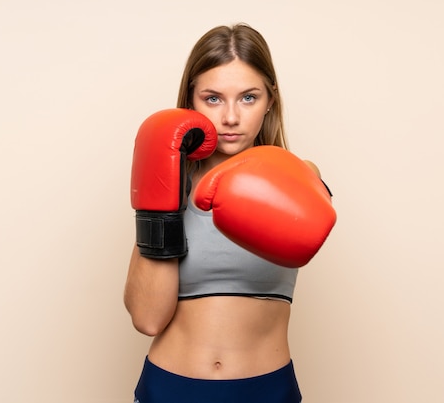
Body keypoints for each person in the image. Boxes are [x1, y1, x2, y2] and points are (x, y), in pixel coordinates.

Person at [125, 23, 336, 403]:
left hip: (266, 389)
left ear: (270, 99)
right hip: (169, 387)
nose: (231, 117)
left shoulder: (301, 175)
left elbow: (314, 222)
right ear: (191, 101)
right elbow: (147, 318)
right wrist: (162, 206)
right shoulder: (170, 185)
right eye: (213, 98)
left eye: (248, 97)